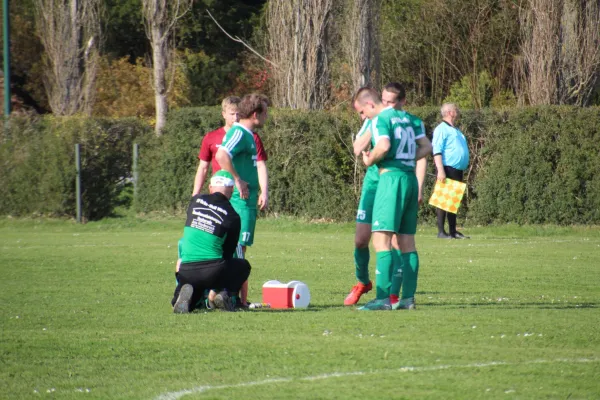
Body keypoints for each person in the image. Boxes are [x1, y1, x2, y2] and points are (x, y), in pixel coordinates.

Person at [344, 83, 428, 307]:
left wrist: (371, 159)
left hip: (390, 180)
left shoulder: (381, 119)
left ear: (371, 104)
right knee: (407, 242)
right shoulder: (411, 119)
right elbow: (427, 147)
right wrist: (407, 159)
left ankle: (383, 299)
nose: (363, 116)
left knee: (381, 241)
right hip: (408, 177)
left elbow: (383, 145)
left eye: (362, 111)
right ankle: (407, 299)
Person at [215, 93, 269, 305]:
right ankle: (228, 295)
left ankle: (230, 296)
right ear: (255, 114)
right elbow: (221, 156)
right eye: (265, 113)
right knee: (237, 247)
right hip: (238, 200)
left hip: (246, 200)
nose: (267, 117)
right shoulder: (239, 132)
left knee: (240, 247)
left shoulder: (248, 134)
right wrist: (238, 180)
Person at [172, 170, 251, 313]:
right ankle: (223, 294)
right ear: (232, 190)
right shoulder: (233, 216)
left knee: (193, 293)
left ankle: (181, 297)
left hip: (186, 269)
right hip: (212, 271)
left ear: (210, 187)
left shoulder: (195, 201)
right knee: (243, 266)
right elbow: (227, 253)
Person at [192, 96, 269, 207]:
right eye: (232, 114)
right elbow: (203, 168)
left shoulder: (251, 136)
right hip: (221, 191)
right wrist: (195, 194)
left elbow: (260, 165)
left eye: (238, 114)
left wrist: (264, 192)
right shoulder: (211, 137)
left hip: (242, 193)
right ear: (224, 114)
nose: (236, 117)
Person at [432, 103, 470, 239]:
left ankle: (453, 231)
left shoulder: (455, 129)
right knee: (443, 199)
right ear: (449, 112)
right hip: (447, 167)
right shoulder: (441, 129)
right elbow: (436, 150)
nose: (457, 111)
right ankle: (441, 232)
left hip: (457, 168)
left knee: (453, 201)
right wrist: (440, 170)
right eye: (455, 109)